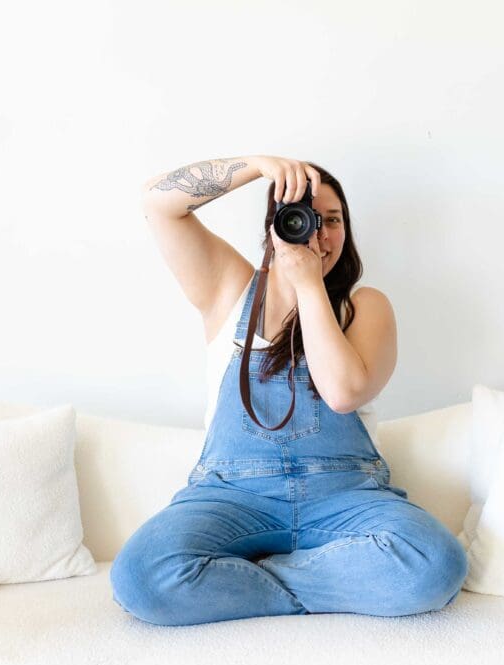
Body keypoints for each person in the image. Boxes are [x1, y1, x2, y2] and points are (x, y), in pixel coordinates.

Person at [110, 155, 467, 626]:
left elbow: (342, 393)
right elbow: (157, 203)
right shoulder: (230, 289)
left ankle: (253, 578)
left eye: (333, 220)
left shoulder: (364, 305)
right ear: (275, 226)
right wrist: (258, 165)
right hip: (232, 495)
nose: (319, 233)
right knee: (139, 577)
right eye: (305, 217)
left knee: (436, 565)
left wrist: (309, 285)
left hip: (345, 495)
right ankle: (322, 582)